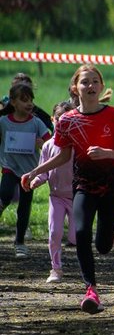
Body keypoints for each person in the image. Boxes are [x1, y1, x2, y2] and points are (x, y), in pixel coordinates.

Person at [22, 65, 114, 314]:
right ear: (76, 87)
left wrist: (106, 153)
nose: (91, 86)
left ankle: (108, 234)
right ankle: (91, 290)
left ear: (101, 86)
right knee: (81, 232)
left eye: (95, 82)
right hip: (83, 185)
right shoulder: (67, 120)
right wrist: (35, 171)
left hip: (113, 186)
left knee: (103, 245)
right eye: (85, 82)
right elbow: (62, 155)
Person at [1, 82, 50, 258]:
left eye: (30, 100)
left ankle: (20, 242)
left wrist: (42, 143)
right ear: (13, 102)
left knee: (24, 207)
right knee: (5, 193)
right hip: (9, 167)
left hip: (29, 172)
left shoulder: (36, 123)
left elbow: (51, 142)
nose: (29, 104)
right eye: (24, 100)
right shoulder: (3, 122)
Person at [30, 101, 76, 283]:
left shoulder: (77, 144)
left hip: (76, 197)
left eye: (68, 120)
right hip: (56, 197)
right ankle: (55, 269)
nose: (63, 123)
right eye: (59, 119)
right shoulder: (49, 145)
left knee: (75, 236)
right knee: (54, 233)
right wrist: (35, 180)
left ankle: (85, 267)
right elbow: (43, 171)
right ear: (53, 120)